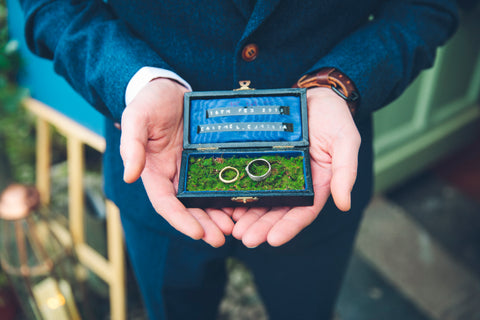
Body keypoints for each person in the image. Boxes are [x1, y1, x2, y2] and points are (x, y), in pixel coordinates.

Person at [18, 1, 459, 319]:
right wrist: (134, 82)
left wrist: (339, 82)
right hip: (160, 177)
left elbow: (426, 8)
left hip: (319, 169)